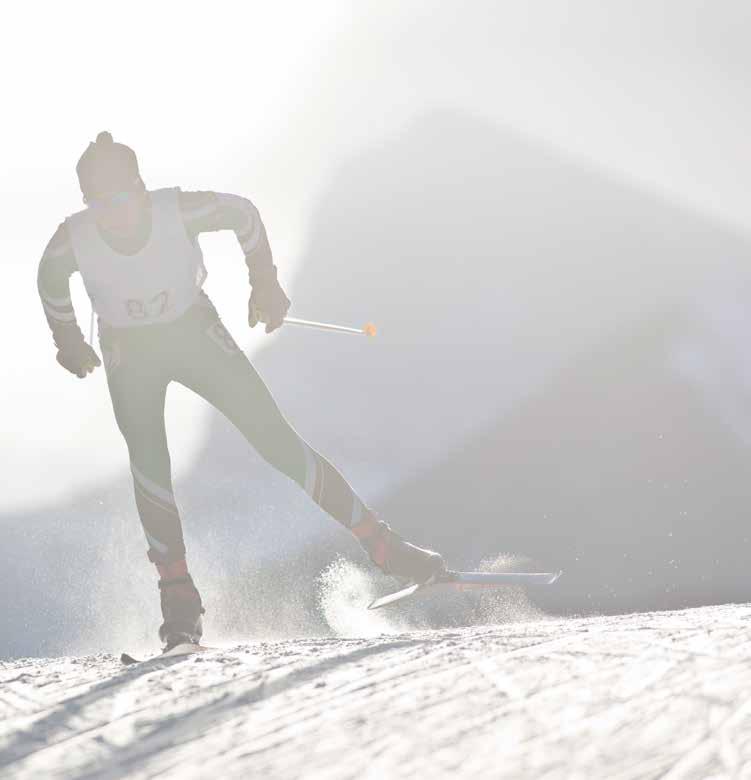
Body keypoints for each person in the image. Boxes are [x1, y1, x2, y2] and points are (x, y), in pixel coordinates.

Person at [37, 132, 445, 650]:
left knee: (276, 441)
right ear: (86, 205)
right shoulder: (73, 239)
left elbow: (245, 214)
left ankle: (383, 547)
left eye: (121, 198)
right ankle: (179, 604)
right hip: (130, 353)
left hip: (193, 334)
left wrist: (265, 283)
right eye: (99, 204)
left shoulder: (175, 209)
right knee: (150, 468)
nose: (113, 213)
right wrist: (67, 340)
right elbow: (49, 279)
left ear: (141, 187)